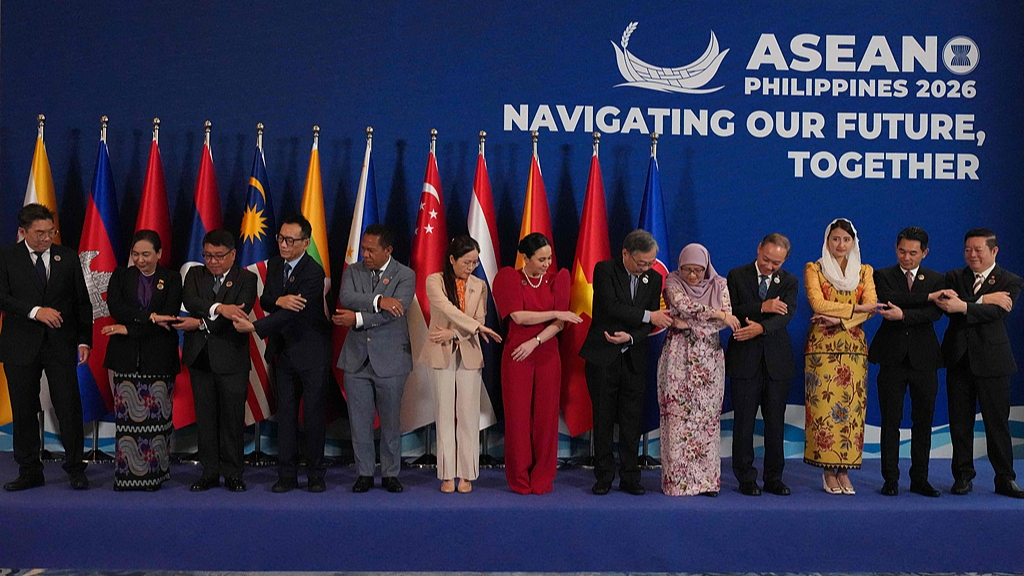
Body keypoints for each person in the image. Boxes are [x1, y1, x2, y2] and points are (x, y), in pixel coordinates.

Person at [232, 216, 331, 493]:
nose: (284, 244)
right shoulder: (275, 265)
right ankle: (286, 475)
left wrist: (254, 326)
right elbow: (266, 299)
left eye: (290, 240)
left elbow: (291, 313)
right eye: (280, 238)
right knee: (285, 416)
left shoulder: (313, 272)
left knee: (312, 417)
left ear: (306, 242)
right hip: (284, 354)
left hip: (311, 354)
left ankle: (315, 474)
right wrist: (277, 299)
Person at [0, 203, 92, 491]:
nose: (45, 238)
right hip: (20, 345)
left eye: (50, 232)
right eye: (39, 233)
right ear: (22, 232)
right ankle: (29, 470)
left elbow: (81, 302)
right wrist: (35, 311)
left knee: (69, 407)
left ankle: (76, 467)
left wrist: (84, 339)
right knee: (24, 409)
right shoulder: (7, 257)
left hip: (60, 345)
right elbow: (2, 297)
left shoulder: (67, 257)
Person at [580, 229, 673, 496]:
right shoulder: (605, 270)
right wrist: (648, 316)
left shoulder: (654, 278)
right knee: (604, 418)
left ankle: (631, 477)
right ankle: (604, 477)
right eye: (641, 263)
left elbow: (651, 323)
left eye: (650, 263)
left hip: (634, 356)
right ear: (625, 253)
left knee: (632, 420)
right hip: (603, 356)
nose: (646, 268)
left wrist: (632, 336)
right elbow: (612, 307)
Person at [935, 228, 1024, 498]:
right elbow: (947, 305)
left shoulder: (1010, 280)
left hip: (993, 361)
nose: (972, 255)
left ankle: (1005, 478)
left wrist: (965, 305)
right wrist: (983, 298)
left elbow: (998, 312)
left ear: (993, 251)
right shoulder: (954, 277)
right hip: (958, 359)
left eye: (978, 250)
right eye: (968, 250)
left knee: (997, 423)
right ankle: (962, 476)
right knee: (959, 422)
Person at [492, 232, 579, 495]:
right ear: (525, 258)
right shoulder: (508, 278)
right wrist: (554, 313)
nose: (546, 263)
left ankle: (542, 476)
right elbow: (518, 316)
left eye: (549, 258)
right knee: (517, 420)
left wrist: (536, 342)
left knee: (546, 419)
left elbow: (561, 324)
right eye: (541, 259)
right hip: (516, 356)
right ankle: (518, 478)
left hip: (547, 355)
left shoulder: (558, 279)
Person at [334, 224, 415, 494]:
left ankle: (391, 473)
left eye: (371, 250)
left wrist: (356, 318)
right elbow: (346, 297)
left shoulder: (405, 274)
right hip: (357, 359)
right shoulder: (354, 271)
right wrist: (380, 300)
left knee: (391, 422)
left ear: (388, 250)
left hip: (391, 360)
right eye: (363, 248)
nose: (365, 254)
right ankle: (365, 473)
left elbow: (396, 311)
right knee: (359, 422)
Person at [175, 229, 257, 493]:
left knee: (232, 419)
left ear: (233, 254)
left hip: (232, 359)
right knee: (206, 419)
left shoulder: (246, 278)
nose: (212, 261)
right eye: (208, 255)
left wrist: (200, 322)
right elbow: (191, 300)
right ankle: (209, 471)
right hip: (201, 359)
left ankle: (233, 473)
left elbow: (238, 315)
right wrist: (219, 308)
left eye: (219, 256)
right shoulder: (194, 275)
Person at [420, 235, 502, 493]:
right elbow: (446, 309)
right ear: (452, 259)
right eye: (466, 262)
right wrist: (477, 327)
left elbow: (479, 317)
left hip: (468, 352)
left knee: (467, 415)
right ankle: (446, 474)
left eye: (475, 262)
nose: (471, 267)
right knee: (444, 414)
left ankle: (466, 474)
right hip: (440, 353)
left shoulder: (479, 285)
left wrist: (456, 333)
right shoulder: (434, 281)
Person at [102, 230, 182, 491]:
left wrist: (128, 327)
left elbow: (168, 316)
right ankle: (126, 475)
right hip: (125, 359)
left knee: (156, 422)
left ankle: (154, 476)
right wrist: (148, 319)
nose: (140, 259)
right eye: (135, 254)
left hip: (158, 358)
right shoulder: (121, 276)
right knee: (127, 423)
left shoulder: (171, 278)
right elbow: (117, 308)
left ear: (159, 254)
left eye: (146, 254)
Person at [868, 226, 945, 497]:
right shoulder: (882, 275)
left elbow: (934, 314)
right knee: (890, 421)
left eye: (913, 253)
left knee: (922, 422)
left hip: (925, 359)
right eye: (902, 251)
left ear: (925, 252)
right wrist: (923, 299)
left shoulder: (937, 279)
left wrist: (904, 316)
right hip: (892, 357)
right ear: (896, 248)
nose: (907, 257)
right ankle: (890, 479)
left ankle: (920, 479)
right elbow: (891, 300)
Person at [657, 244, 738, 496]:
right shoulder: (672, 281)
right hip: (678, 357)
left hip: (710, 360)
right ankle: (677, 483)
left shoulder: (720, 284)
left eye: (698, 271)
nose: (692, 276)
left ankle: (706, 483)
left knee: (707, 420)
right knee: (677, 418)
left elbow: (727, 319)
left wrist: (690, 324)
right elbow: (682, 305)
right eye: (687, 270)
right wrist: (717, 315)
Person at [803, 218, 876, 495]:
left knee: (851, 413)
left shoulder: (864, 271)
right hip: (821, 349)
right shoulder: (815, 268)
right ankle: (826, 472)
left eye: (846, 240)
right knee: (824, 412)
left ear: (853, 242)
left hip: (854, 349)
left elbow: (871, 309)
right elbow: (817, 303)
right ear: (827, 240)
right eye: (835, 239)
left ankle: (844, 472)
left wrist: (841, 320)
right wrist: (855, 308)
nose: (841, 245)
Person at [725, 233, 798, 497]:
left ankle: (774, 478)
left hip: (777, 363)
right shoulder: (736, 275)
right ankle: (746, 478)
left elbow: (786, 316)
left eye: (775, 263)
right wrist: (763, 306)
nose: (769, 266)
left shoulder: (789, 281)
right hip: (745, 361)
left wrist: (761, 329)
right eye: (766, 259)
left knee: (775, 424)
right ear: (758, 249)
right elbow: (733, 309)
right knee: (743, 423)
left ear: (784, 261)